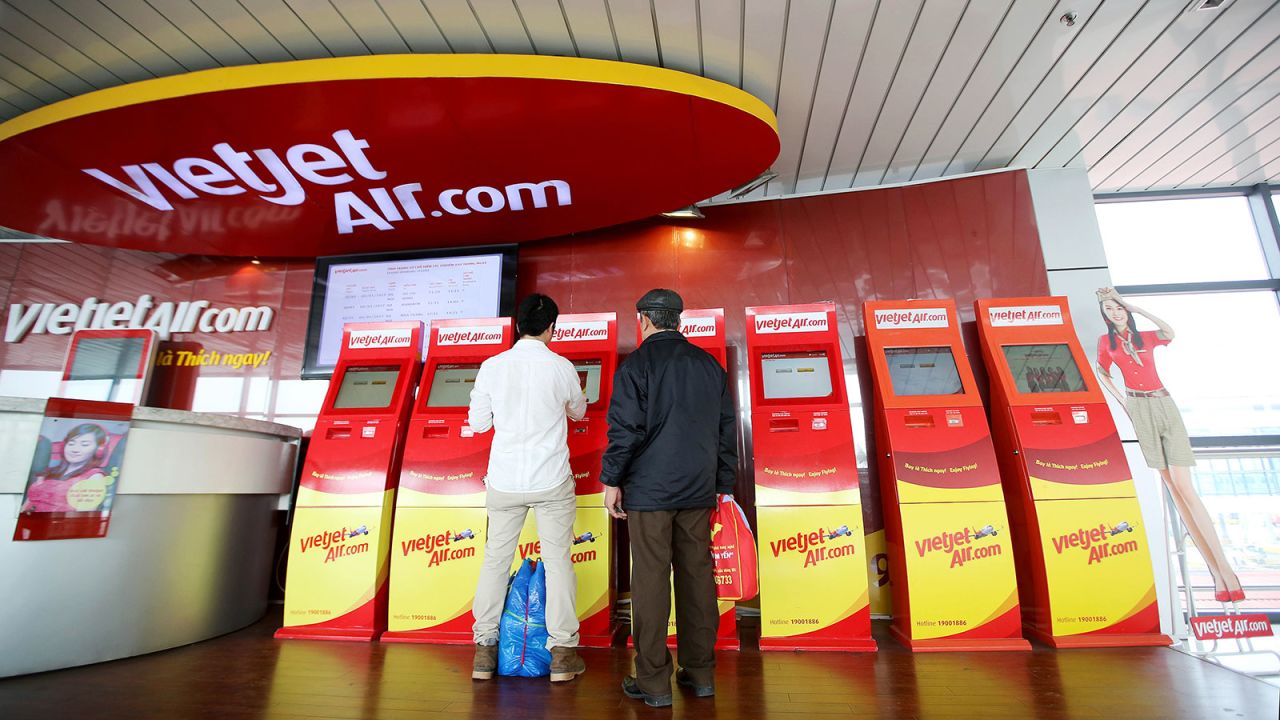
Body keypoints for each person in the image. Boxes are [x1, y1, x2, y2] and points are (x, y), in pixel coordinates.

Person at [600, 288, 737, 708]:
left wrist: (611, 480)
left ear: (642, 318)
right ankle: (699, 673)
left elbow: (626, 431)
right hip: (698, 489)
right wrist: (723, 483)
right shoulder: (708, 366)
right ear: (678, 319)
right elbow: (725, 431)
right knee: (697, 575)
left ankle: (654, 682)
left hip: (649, 492)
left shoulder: (636, 366)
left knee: (651, 579)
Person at [467, 293, 589, 682]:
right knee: (557, 563)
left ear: (517, 325)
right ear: (553, 327)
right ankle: (563, 654)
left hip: (503, 480)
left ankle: (484, 650)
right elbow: (580, 410)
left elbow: (479, 423)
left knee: (494, 560)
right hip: (551, 478)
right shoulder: (562, 366)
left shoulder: (491, 366)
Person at [1095, 287, 1244, 602]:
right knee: (1174, 491)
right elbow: (1102, 372)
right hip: (1139, 407)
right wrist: (1124, 403)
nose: (1115, 313)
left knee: (1184, 486)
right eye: (1108, 310)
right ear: (1104, 315)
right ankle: (1217, 574)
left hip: (1164, 404)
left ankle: (1226, 570)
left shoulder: (1145, 337)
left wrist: (1135, 307)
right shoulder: (1106, 343)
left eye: (1117, 307)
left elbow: (1170, 332)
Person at [20, 423, 110, 513]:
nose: (75, 449)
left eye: (84, 445)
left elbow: (81, 517)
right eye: (71, 443)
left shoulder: (95, 477)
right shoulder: (50, 471)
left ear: (99, 450)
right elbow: (28, 502)